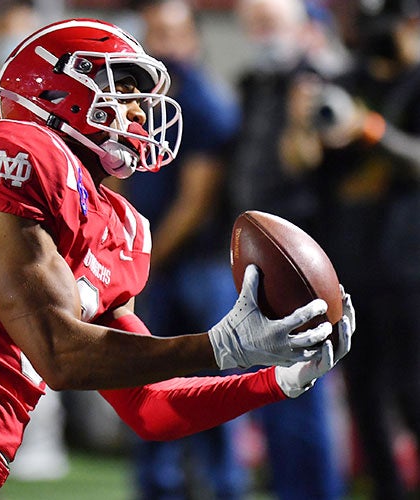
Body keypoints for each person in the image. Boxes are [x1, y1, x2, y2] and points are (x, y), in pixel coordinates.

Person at [0, 18, 355, 498]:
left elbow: (150, 408)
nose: (139, 110)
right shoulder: (14, 150)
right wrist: (219, 348)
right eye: (124, 87)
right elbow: (58, 353)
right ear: (56, 87)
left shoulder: (123, 228)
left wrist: (274, 378)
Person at [283, 1, 420, 497]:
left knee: (412, 390)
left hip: (408, 267)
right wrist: (301, 122)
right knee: (363, 397)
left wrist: (370, 130)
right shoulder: (345, 80)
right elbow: (301, 161)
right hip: (351, 265)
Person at [121, 1, 248, 498]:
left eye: (171, 34)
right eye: (153, 34)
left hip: (195, 263)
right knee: (147, 382)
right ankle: (158, 486)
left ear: (193, 39)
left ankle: (223, 486)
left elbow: (195, 201)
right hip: (157, 264)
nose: (161, 46)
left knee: (211, 385)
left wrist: (140, 260)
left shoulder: (202, 102)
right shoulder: (139, 101)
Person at [228, 0, 352, 498]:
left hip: (307, 256)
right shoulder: (257, 81)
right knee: (272, 385)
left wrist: (303, 116)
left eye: (270, 23)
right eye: (255, 24)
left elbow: (303, 160)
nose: (262, 34)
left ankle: (317, 491)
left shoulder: (321, 78)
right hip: (265, 258)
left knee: (306, 383)